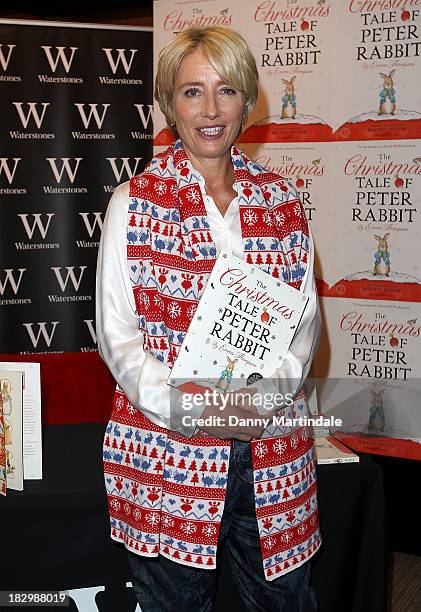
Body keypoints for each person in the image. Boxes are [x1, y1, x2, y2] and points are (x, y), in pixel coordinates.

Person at [96, 26, 321, 612]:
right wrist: (198, 409)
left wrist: (261, 402)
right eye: (192, 92)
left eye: (226, 90)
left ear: (247, 100)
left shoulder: (282, 200)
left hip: (273, 453)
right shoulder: (134, 202)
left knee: (286, 601)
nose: (211, 109)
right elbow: (119, 341)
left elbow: (303, 326)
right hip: (169, 454)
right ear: (170, 104)